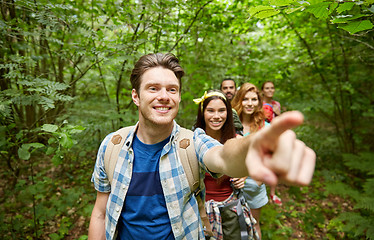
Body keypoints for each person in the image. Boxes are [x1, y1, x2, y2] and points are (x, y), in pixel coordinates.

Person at [88, 53, 316, 240]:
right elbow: (100, 213)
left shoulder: (193, 142)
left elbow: (223, 156)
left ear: (179, 96)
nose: (164, 96)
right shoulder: (112, 145)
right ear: (136, 96)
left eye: (172, 89)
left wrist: (253, 147)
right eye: (153, 88)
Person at [193, 90, 258, 240]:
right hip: (201, 211)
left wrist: (244, 174)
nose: (216, 116)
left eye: (222, 110)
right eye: (210, 111)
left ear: (228, 113)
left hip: (231, 209)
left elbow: (250, 163)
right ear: (203, 113)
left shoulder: (236, 140)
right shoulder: (192, 141)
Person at [231, 83, 270, 239]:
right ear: (239, 100)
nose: (250, 103)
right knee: (233, 228)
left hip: (254, 185)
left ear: (259, 102)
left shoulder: (265, 127)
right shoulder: (230, 124)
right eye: (245, 99)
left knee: (253, 225)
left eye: (254, 99)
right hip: (232, 185)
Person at [261, 81, 283, 205]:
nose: (270, 90)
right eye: (267, 88)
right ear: (263, 90)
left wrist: (278, 113)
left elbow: (279, 121)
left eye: (272, 88)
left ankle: (273, 192)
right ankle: (261, 188)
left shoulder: (276, 104)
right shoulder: (259, 103)